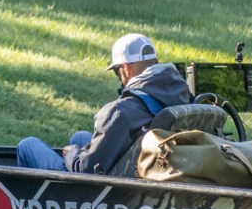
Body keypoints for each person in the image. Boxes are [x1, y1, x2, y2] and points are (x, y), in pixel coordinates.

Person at [17, 33, 191, 173]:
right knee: (80, 137)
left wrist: (72, 154)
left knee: (28, 145)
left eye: (116, 72)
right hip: (149, 168)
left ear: (125, 68)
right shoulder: (183, 96)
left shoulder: (119, 112)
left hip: (106, 192)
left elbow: (86, 170)